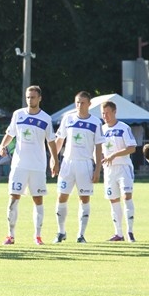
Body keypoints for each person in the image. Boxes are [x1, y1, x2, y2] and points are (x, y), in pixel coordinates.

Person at [0, 85, 58, 245]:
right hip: (19, 165)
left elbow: (51, 141)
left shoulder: (46, 118)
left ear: (39, 98)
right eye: (28, 97)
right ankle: (10, 235)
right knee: (13, 198)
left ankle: (37, 236)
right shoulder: (18, 114)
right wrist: (2, 145)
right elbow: (10, 133)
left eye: (33, 97)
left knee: (38, 200)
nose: (30, 100)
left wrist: (55, 160)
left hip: (37, 166)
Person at [53, 91, 104, 244]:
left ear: (89, 104)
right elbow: (59, 140)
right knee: (62, 196)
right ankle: (61, 232)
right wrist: (54, 159)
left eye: (82, 102)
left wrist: (97, 169)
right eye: (77, 102)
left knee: (84, 198)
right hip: (68, 163)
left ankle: (81, 235)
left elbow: (99, 147)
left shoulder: (96, 122)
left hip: (85, 164)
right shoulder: (68, 118)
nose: (79, 105)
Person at [100, 101, 137, 242]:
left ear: (114, 112)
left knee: (127, 197)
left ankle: (130, 232)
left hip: (123, 167)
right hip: (109, 170)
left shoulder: (123, 128)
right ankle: (118, 233)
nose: (105, 116)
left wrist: (114, 155)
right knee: (113, 200)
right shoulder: (101, 129)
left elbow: (132, 147)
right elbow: (97, 149)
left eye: (108, 113)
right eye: (103, 113)